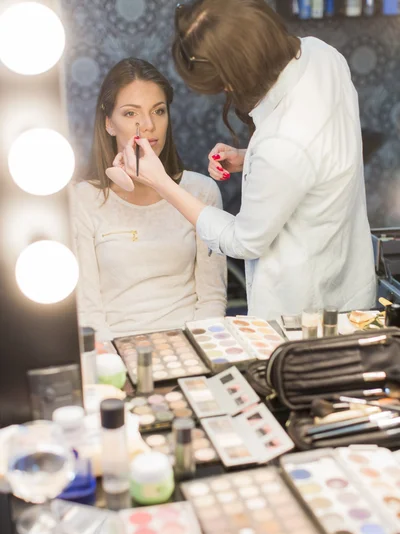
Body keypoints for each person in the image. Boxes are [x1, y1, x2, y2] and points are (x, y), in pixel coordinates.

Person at [115, 0, 376, 321]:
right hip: (351, 283)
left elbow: (244, 241)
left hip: (305, 314)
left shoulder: (281, 144)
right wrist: (248, 157)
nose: (226, 90)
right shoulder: (321, 54)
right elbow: (317, 156)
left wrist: (162, 182)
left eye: (223, 84)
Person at [71, 57, 227, 341]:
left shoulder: (201, 192)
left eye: (159, 111)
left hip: (192, 345)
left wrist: (198, 355)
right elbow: (89, 311)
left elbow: (212, 300)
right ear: (109, 124)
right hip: (117, 351)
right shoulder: (85, 199)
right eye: (131, 114)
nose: (148, 125)